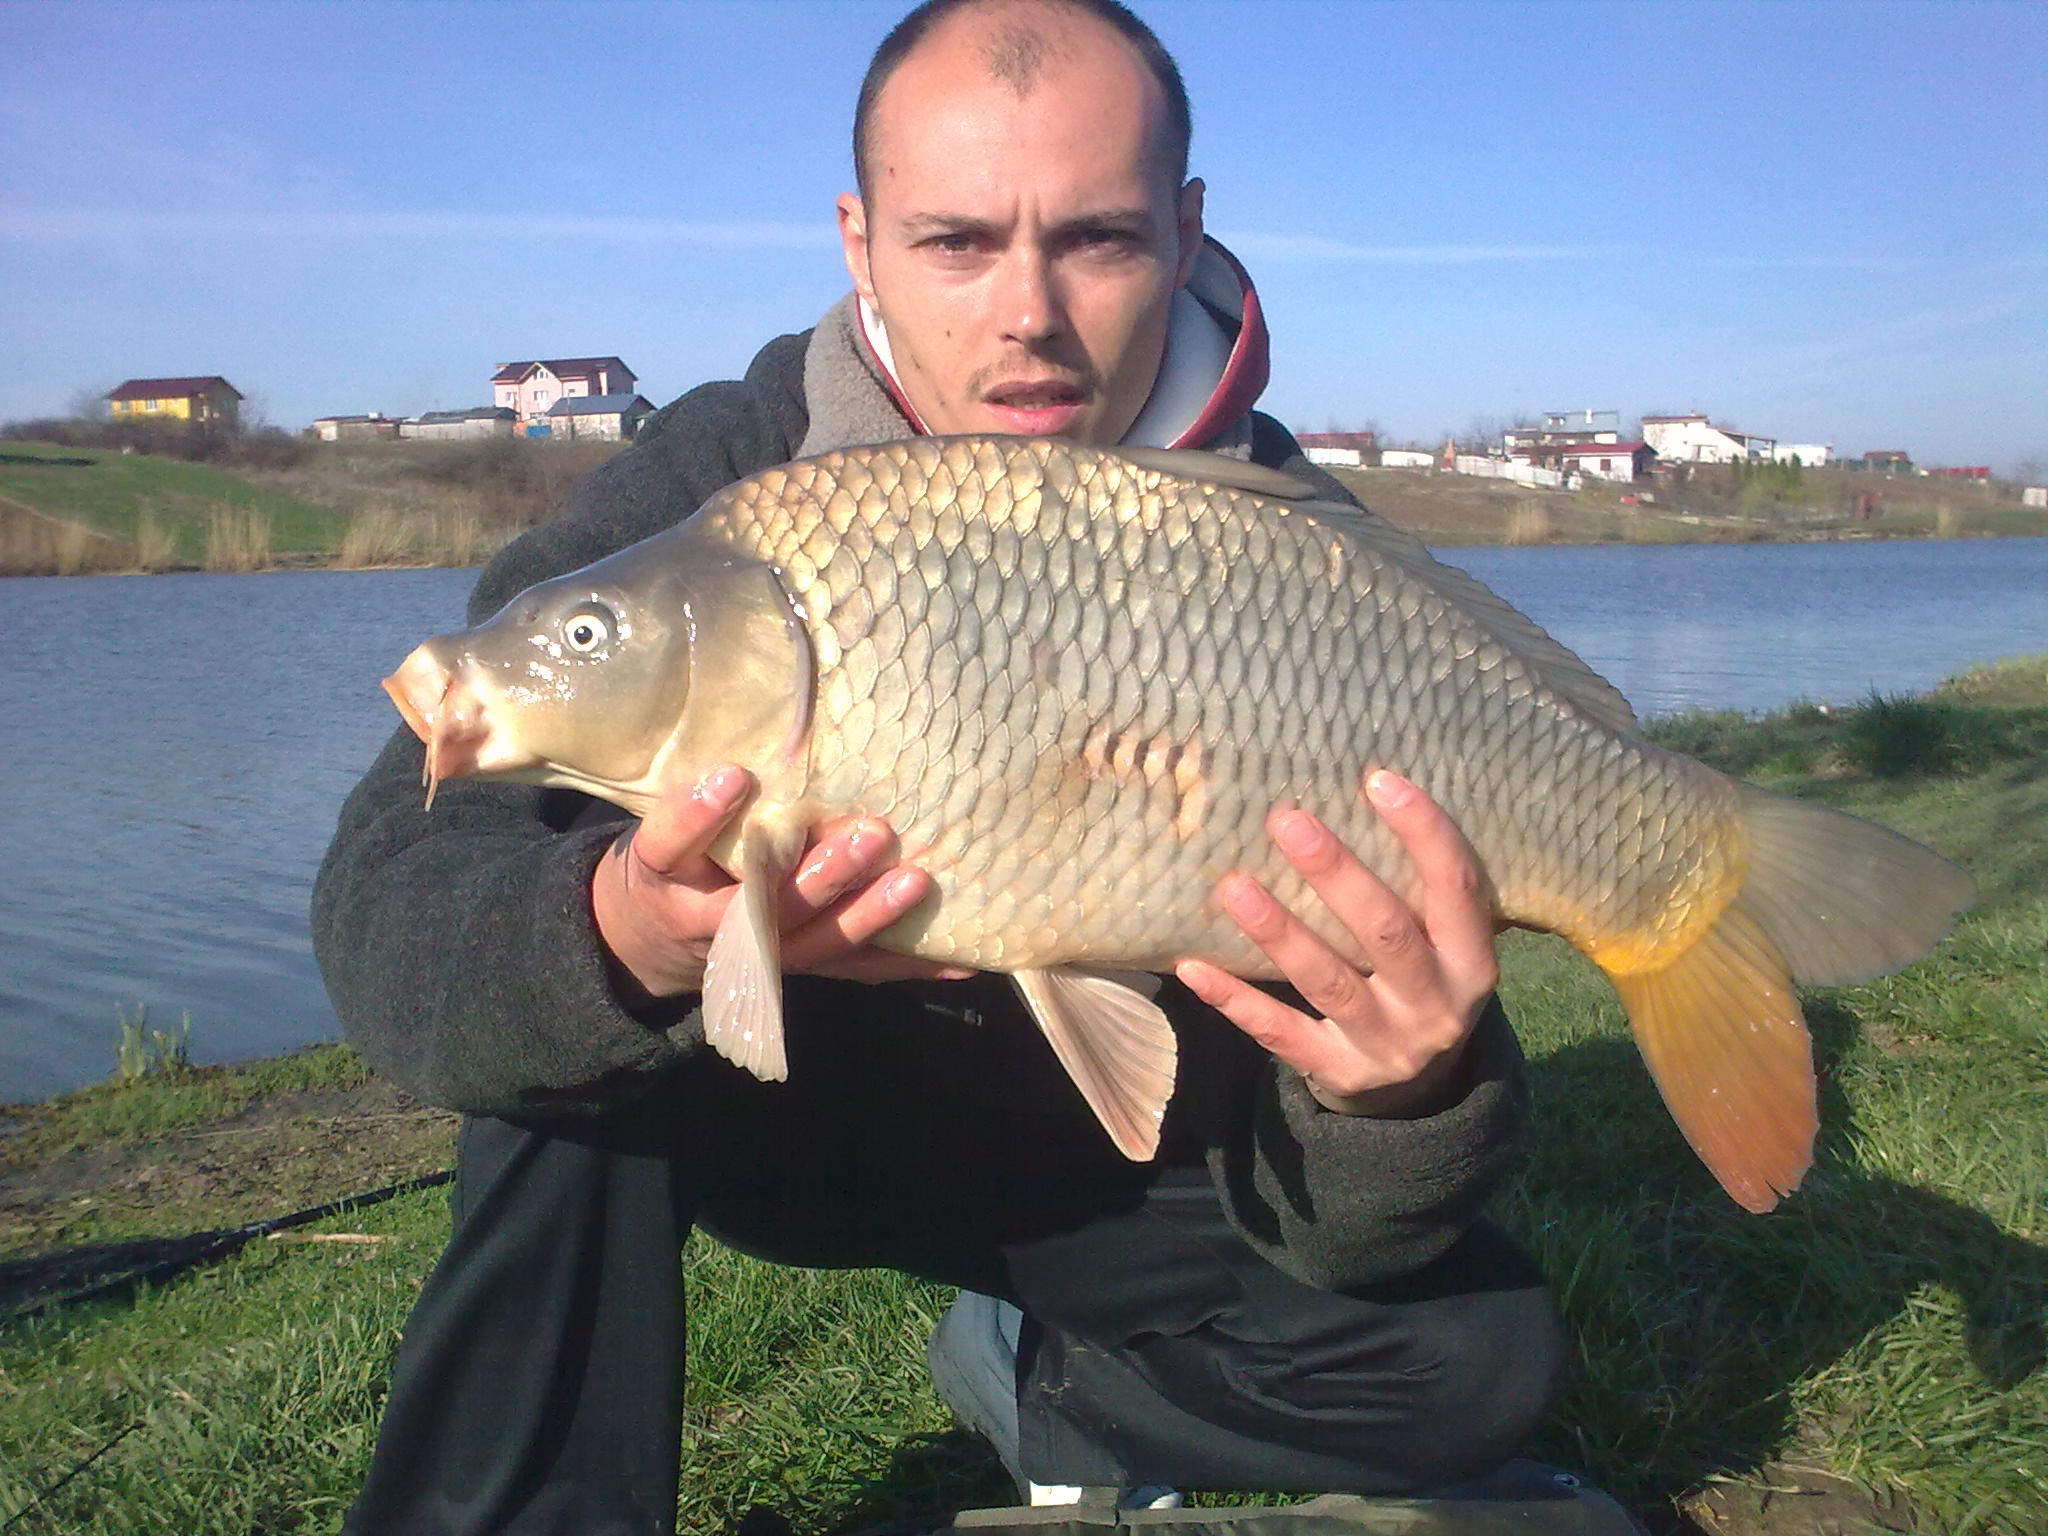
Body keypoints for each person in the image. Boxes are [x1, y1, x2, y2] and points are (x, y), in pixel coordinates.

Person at [314, 3, 1632, 1532]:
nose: (1028, 315)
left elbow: (1354, 1229)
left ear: (1184, 231)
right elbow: (387, 905)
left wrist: (1407, 1092)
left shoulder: (1299, 555)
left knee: (1473, 1359)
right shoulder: (723, 482)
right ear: (861, 244)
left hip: (1137, 1157)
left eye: (1097, 239)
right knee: (549, 1053)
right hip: (780, 1115)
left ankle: (1044, 1379)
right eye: (955, 242)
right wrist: (626, 937)